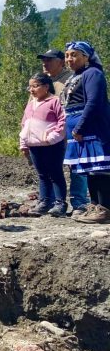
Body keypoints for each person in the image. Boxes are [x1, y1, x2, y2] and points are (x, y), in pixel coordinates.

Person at [62, 41, 110, 223]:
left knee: (100, 170)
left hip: (93, 130)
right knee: (90, 170)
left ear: (86, 56)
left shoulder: (93, 74)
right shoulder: (76, 76)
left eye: (74, 54)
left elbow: (94, 102)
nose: (69, 59)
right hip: (81, 132)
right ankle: (94, 205)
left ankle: (105, 208)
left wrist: (79, 127)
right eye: (67, 55)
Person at [39, 48, 89, 213]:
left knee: (76, 166)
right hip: (47, 133)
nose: (45, 63)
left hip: (70, 129)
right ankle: (54, 202)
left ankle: (79, 202)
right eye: (43, 60)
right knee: (50, 167)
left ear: (61, 62)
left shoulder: (72, 79)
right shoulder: (41, 82)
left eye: (49, 60)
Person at [19, 73, 67, 216]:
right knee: (42, 175)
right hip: (34, 145)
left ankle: (60, 203)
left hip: (52, 145)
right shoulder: (30, 104)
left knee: (55, 173)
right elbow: (24, 124)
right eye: (30, 87)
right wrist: (24, 142)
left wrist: (52, 138)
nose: (31, 90)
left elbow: (62, 121)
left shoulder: (55, 101)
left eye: (35, 86)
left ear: (46, 87)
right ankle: (44, 202)